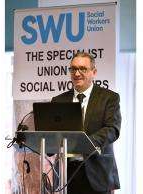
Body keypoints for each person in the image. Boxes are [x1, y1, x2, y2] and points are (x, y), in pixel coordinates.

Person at [51, 52, 121, 194]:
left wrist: (83, 143)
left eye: (82, 69)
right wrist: (49, 142)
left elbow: (112, 129)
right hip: (66, 175)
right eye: (73, 69)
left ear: (93, 72)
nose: (77, 73)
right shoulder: (58, 101)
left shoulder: (109, 98)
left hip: (98, 174)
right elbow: (53, 135)